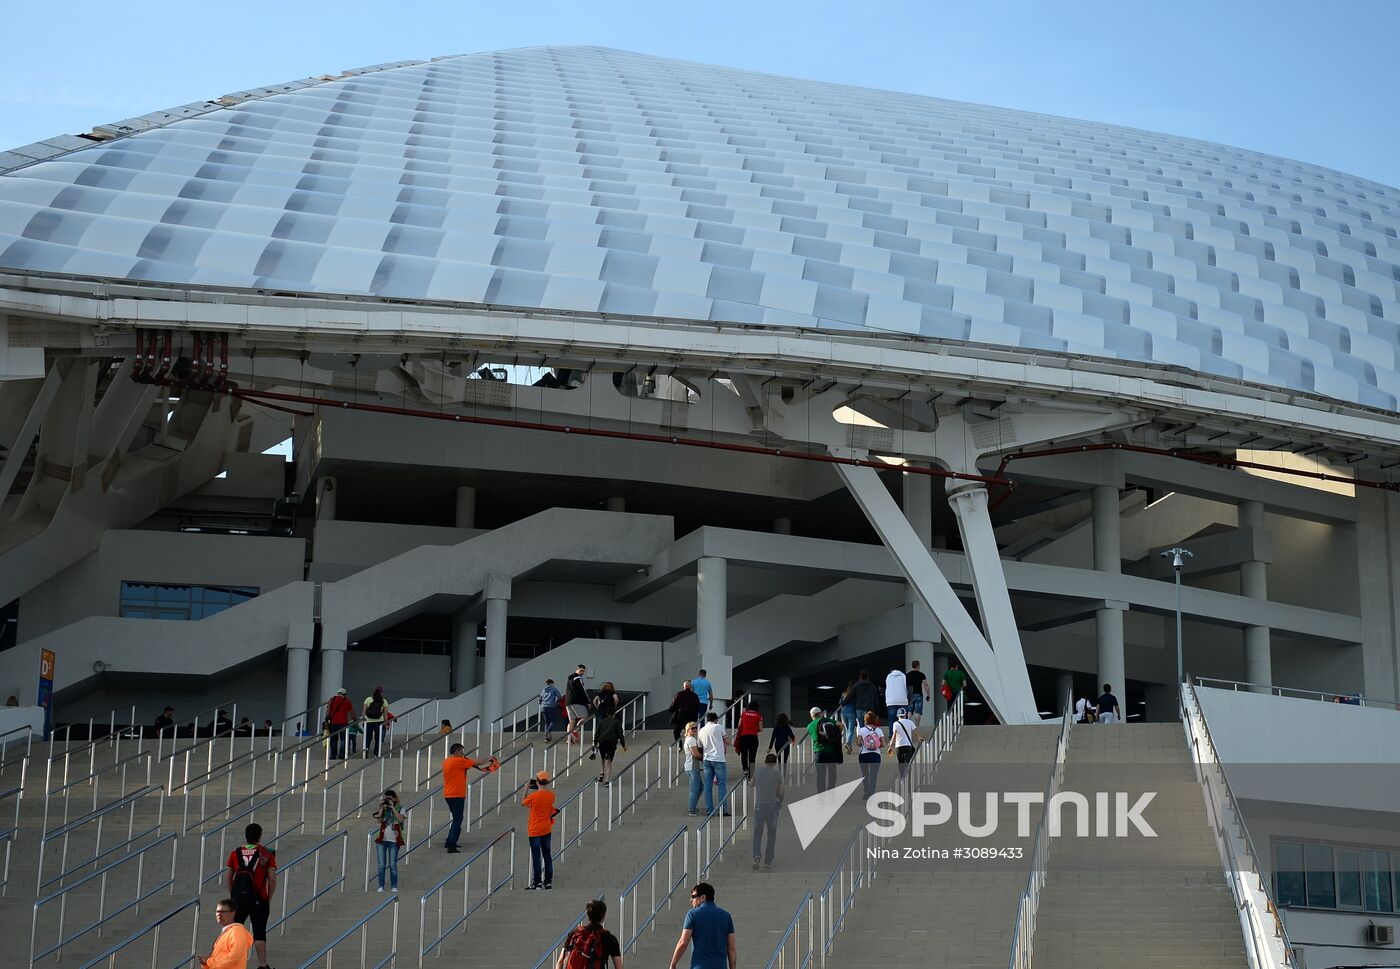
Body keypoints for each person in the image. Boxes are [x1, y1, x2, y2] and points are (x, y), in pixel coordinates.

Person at [225, 822, 276, 969]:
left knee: (235, 930)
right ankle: (262, 964)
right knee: (259, 931)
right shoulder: (267, 853)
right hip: (260, 898)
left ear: (246, 836)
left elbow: (228, 876)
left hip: (239, 898)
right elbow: (272, 878)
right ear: (259, 836)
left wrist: (233, 895)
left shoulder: (235, 853)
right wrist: (269, 896)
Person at [442, 742, 496, 853]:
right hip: (457, 795)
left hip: (448, 794)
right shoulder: (459, 761)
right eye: (461, 751)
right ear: (456, 751)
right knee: (458, 820)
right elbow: (477, 762)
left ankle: (449, 841)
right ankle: (451, 845)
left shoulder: (447, 761)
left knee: (456, 819)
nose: (463, 753)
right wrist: (489, 759)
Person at [668, 882, 736, 969]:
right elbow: (731, 948)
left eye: (693, 897)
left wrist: (673, 964)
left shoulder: (693, 914)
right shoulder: (726, 916)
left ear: (703, 897)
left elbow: (683, 943)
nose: (691, 900)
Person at [557, 898, 623, 969]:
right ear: (603, 917)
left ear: (587, 915)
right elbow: (618, 966)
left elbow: (560, 961)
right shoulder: (609, 938)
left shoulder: (575, 933)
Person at [523, 770, 557, 890]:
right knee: (547, 855)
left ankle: (537, 882)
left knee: (536, 856)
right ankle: (548, 881)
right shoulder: (551, 795)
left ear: (537, 781)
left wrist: (526, 788)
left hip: (534, 829)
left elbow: (524, 802)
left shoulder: (533, 796)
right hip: (546, 828)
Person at [198, 898, 253, 969]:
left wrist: (209, 961)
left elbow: (235, 957)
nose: (219, 914)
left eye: (223, 912)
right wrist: (206, 963)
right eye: (217, 911)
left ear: (233, 913)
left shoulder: (236, 930)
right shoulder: (228, 931)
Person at [751, 753, 784, 870]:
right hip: (772, 806)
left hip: (759, 806)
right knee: (771, 834)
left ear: (765, 761)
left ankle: (756, 855)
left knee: (757, 833)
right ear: (775, 763)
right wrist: (780, 803)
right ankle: (768, 861)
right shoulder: (777, 774)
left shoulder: (758, 771)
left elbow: (751, 784)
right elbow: (781, 791)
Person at [372, 788, 405, 892]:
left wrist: (393, 808)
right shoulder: (384, 808)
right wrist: (382, 807)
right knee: (381, 864)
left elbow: (400, 819)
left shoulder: (400, 808)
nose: (388, 801)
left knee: (392, 865)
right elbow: (379, 820)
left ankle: (394, 886)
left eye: (390, 799)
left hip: (394, 841)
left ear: (395, 799)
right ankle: (380, 886)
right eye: (386, 799)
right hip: (382, 840)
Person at [697, 712, 730, 817]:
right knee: (722, 785)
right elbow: (727, 741)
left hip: (707, 760)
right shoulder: (719, 727)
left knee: (707, 786)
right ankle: (723, 810)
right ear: (716, 719)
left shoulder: (701, 730)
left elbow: (700, 746)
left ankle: (709, 810)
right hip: (719, 759)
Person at [807, 706, 843, 793]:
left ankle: (821, 797)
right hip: (831, 751)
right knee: (832, 774)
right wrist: (837, 735)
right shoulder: (827, 720)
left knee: (820, 775)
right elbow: (841, 725)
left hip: (819, 752)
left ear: (812, 716)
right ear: (820, 714)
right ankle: (831, 794)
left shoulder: (809, 726)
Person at [887, 707, 921, 785]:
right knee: (907, 765)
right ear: (905, 715)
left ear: (898, 715)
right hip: (908, 746)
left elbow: (894, 736)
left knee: (901, 763)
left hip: (899, 747)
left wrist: (890, 747)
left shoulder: (895, 724)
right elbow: (915, 733)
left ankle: (902, 778)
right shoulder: (910, 722)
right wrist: (920, 738)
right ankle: (908, 783)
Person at [856, 711, 884, 799]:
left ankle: (866, 792)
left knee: (865, 775)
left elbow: (858, 743)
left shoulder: (862, 730)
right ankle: (872, 793)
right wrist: (875, 745)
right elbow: (883, 744)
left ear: (865, 720)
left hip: (863, 755)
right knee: (873, 775)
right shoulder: (879, 730)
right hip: (875, 755)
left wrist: (864, 744)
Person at [593, 710, 627, 785]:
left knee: (602, 758)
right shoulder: (617, 722)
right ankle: (607, 780)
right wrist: (623, 745)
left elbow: (597, 733)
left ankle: (602, 773)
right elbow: (620, 734)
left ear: (606, 714)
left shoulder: (602, 722)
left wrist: (595, 743)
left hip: (602, 742)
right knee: (609, 760)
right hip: (612, 743)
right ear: (614, 714)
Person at [669, 679, 702, 747]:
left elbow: (673, 705)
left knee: (676, 732)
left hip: (681, 717)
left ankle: (679, 746)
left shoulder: (679, 694)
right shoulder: (695, 696)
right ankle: (690, 745)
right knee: (691, 732)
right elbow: (698, 708)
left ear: (684, 686)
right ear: (690, 687)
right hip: (692, 717)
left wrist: (672, 710)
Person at [735, 702, 762, 781]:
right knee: (752, 757)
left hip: (744, 737)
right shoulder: (758, 715)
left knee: (744, 755)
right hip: (754, 737)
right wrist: (754, 729)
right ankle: (751, 776)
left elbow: (739, 725)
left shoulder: (743, 714)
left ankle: (745, 769)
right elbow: (760, 728)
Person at [682, 721, 704, 816]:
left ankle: (693, 806)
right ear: (688, 729)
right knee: (694, 789)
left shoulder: (689, 739)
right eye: (692, 728)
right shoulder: (690, 739)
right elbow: (695, 754)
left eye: (695, 728)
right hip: (692, 767)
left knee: (700, 788)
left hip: (690, 766)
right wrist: (704, 757)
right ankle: (691, 809)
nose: (694, 729)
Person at [565, 665, 591, 745]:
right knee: (585, 716)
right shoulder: (578, 678)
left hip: (568, 702)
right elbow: (582, 691)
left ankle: (569, 739)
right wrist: (588, 702)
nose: (582, 672)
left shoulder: (569, 679)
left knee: (572, 720)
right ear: (577, 669)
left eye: (583, 671)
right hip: (576, 701)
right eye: (581, 670)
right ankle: (574, 732)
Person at [327, 687, 354, 759]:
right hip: (343, 723)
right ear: (344, 694)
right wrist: (354, 720)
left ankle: (333, 755)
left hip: (333, 722)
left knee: (334, 739)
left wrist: (327, 720)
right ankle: (341, 754)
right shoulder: (346, 701)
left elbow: (328, 710)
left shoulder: (332, 699)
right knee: (343, 739)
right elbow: (351, 711)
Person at [851, 672, 877, 745]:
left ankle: (862, 740)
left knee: (861, 725)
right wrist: (877, 712)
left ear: (860, 677)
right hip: (869, 708)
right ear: (868, 677)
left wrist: (843, 703)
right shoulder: (872, 686)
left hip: (859, 708)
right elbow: (876, 699)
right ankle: (869, 740)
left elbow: (851, 696)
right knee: (869, 724)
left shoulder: (856, 685)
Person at [363, 687, 390, 756]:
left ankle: (365, 752)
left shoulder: (368, 699)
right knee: (378, 739)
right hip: (379, 722)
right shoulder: (384, 701)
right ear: (381, 693)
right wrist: (386, 724)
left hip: (368, 722)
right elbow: (385, 715)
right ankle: (376, 754)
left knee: (368, 738)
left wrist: (364, 721)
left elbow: (364, 712)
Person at [837, 678, 857, 754]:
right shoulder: (854, 693)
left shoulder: (844, 693)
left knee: (847, 729)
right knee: (851, 730)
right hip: (851, 712)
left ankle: (849, 748)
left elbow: (840, 702)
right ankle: (848, 743)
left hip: (843, 712)